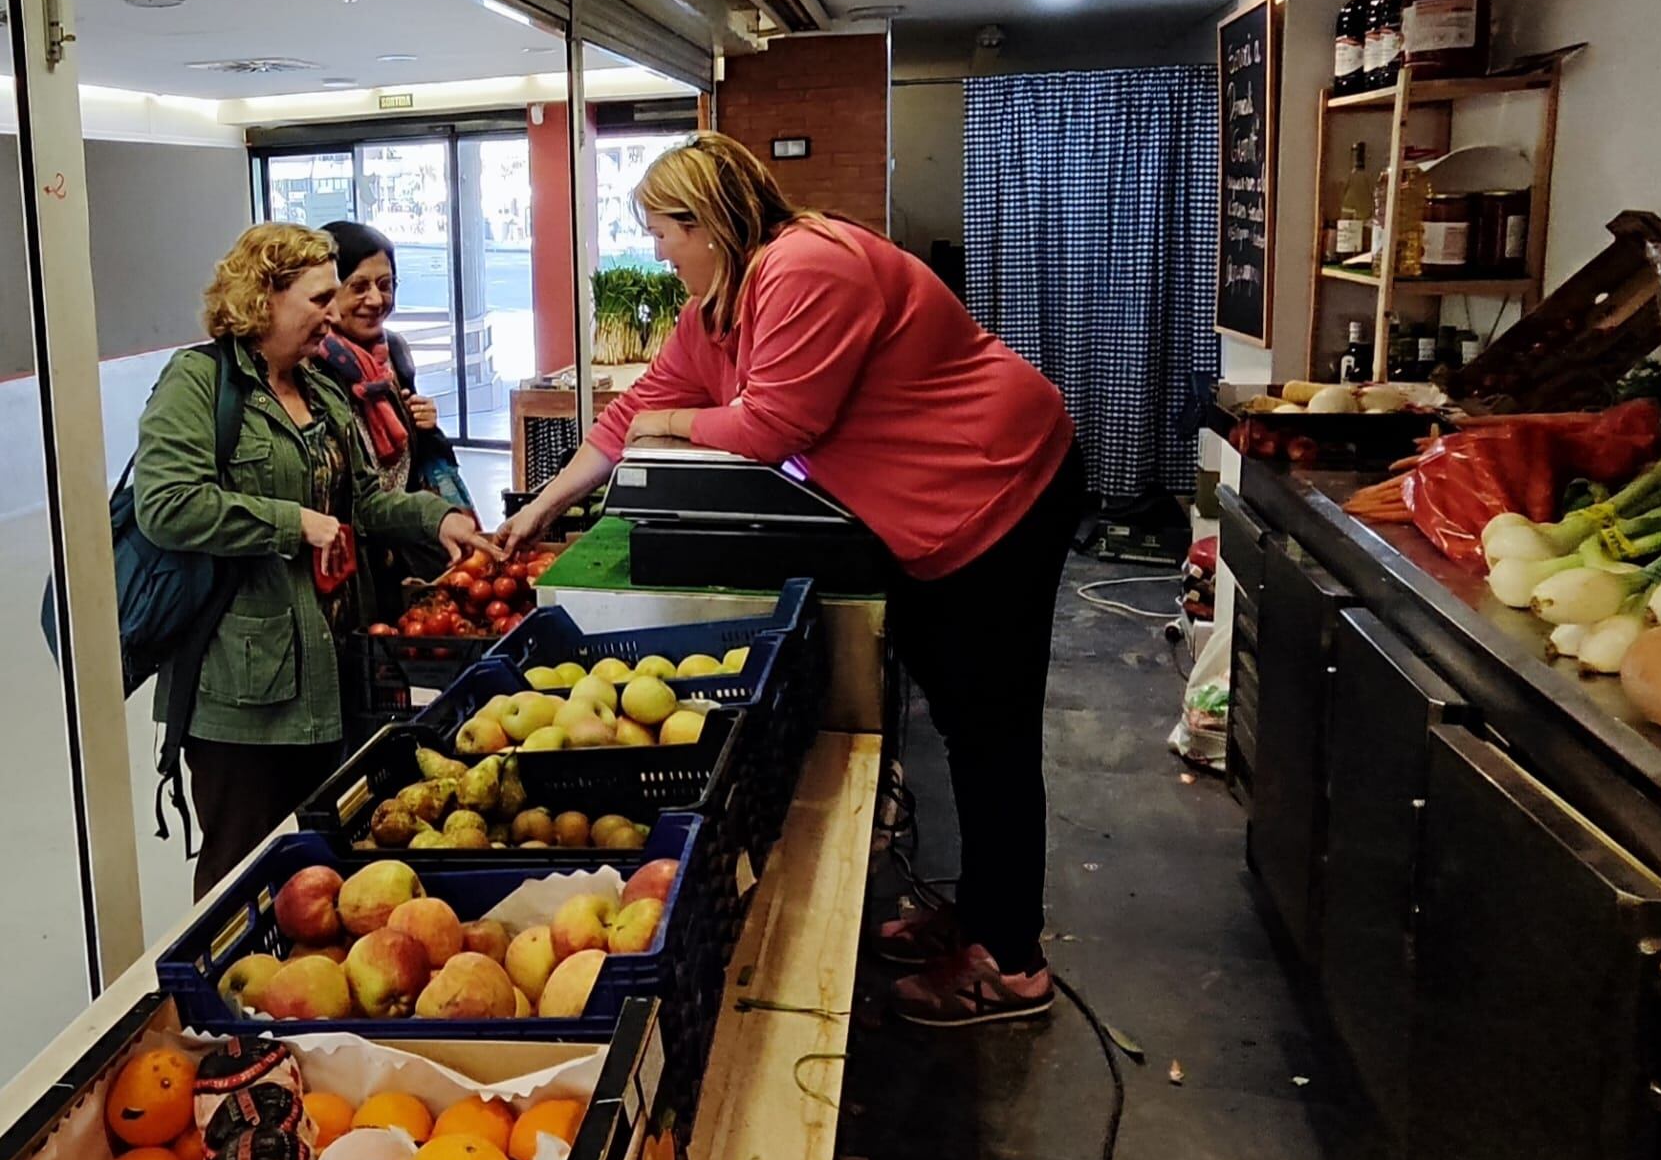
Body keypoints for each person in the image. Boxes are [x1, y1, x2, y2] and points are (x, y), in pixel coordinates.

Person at [500, 133, 1082, 1026]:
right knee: (967, 724)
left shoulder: (809, 266)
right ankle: (979, 915)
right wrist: (544, 506)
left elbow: (773, 424)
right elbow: (628, 418)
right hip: (928, 514)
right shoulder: (717, 310)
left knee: (990, 727)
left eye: (661, 231)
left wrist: (681, 419)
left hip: (998, 485)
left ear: (711, 222)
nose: (656, 252)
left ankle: (1011, 962)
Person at [135, 222, 498, 897]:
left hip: (333, 667)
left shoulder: (322, 390)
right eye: (320, 297)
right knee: (243, 871)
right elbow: (168, 504)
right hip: (243, 689)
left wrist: (437, 515)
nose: (335, 312)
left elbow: (363, 502)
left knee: (326, 854)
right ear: (262, 297)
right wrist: (290, 522)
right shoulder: (198, 384)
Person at [313, 220, 474, 616]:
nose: (375, 299)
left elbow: (406, 455)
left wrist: (425, 424)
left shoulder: (394, 353)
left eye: (385, 285)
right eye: (359, 286)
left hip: (401, 549)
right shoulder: (310, 364)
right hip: (343, 560)